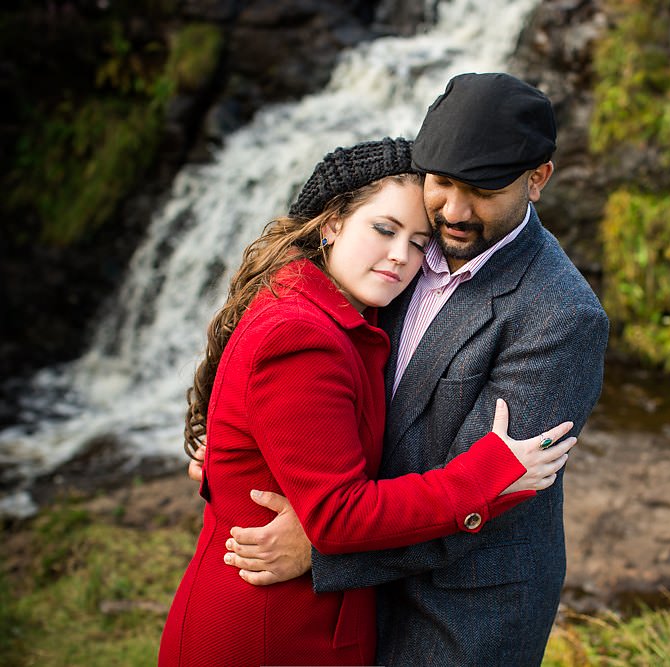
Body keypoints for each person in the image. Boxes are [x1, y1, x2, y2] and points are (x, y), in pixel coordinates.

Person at [196, 72, 610, 665]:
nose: (456, 211)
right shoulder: (398, 241)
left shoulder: (562, 317)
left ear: (537, 178)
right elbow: (303, 363)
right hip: (349, 593)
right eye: (442, 182)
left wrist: (322, 545)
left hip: (459, 611)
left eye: (484, 189)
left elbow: (492, 487)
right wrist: (232, 438)